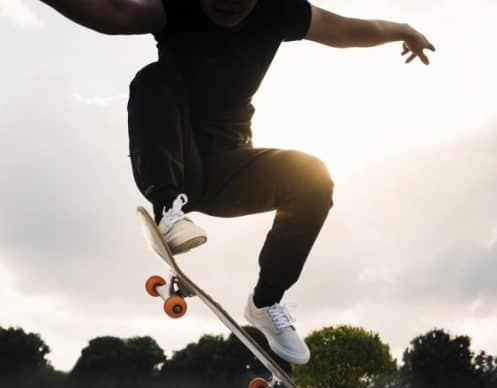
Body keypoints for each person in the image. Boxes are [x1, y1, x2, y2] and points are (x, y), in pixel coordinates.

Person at [38, 0, 435, 363]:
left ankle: (265, 302)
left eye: (239, 3)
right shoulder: (177, 6)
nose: (227, 9)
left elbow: (345, 29)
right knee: (152, 79)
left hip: (231, 170)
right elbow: (114, 14)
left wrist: (403, 29)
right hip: (175, 160)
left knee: (313, 176)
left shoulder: (280, 11)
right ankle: (169, 211)